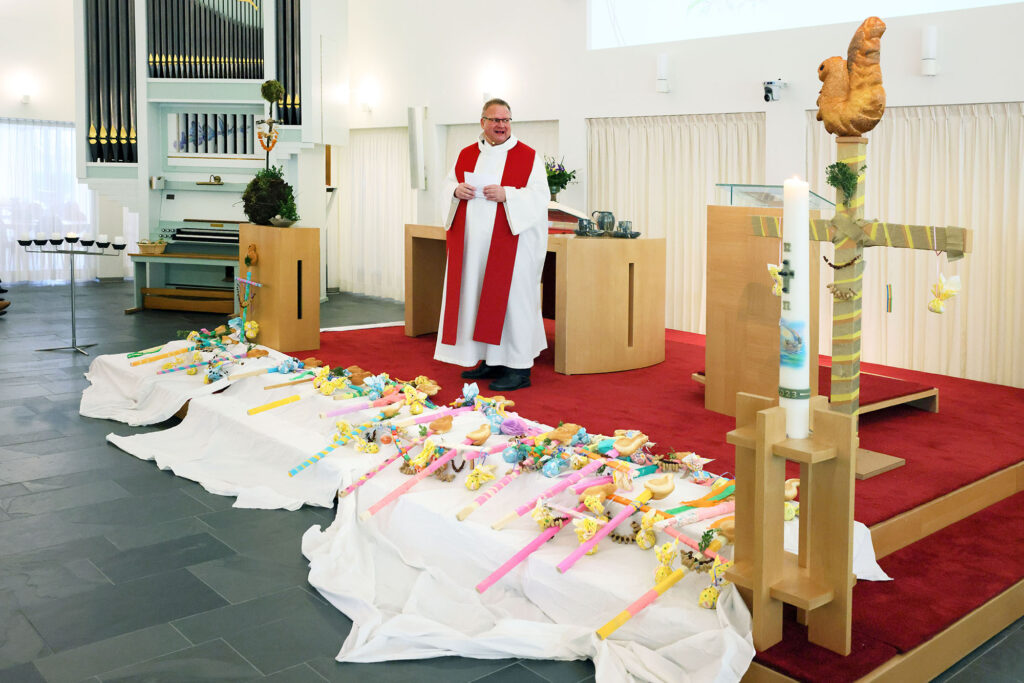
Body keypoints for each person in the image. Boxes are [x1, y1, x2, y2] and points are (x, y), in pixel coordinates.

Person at [434, 98, 549, 391]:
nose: (502, 125)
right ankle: (491, 360)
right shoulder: (466, 154)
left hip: (513, 247)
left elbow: (540, 197)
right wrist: (456, 191)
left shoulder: (528, 156)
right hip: (474, 249)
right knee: (477, 298)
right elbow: (447, 185)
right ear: (482, 122)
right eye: (495, 120)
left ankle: (519, 368)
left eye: (506, 120)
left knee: (512, 302)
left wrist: (508, 194)